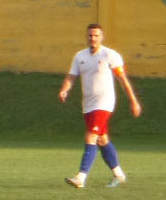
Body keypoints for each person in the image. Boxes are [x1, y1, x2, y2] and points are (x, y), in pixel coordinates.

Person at [59, 23, 141, 188]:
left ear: (101, 37)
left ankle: (80, 177)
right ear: (86, 37)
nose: (93, 38)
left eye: (96, 35)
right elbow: (71, 77)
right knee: (102, 140)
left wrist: (134, 101)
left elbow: (123, 80)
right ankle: (119, 174)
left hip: (104, 102)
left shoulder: (110, 55)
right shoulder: (79, 56)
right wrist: (64, 90)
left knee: (91, 136)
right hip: (88, 104)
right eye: (90, 35)